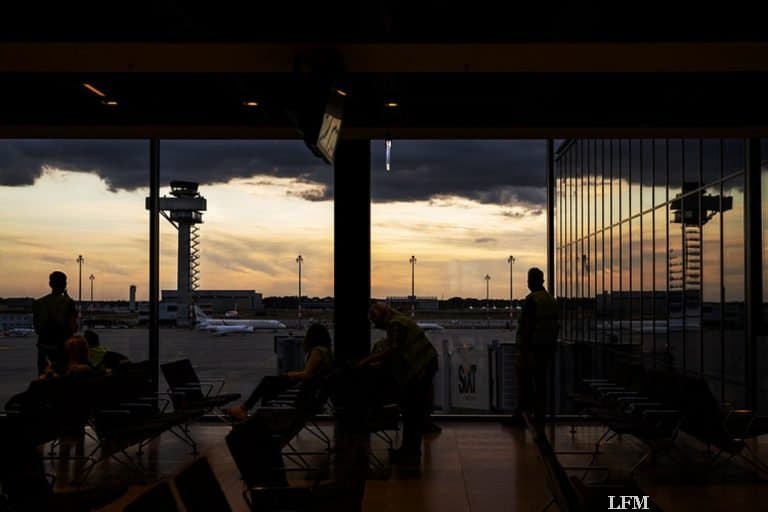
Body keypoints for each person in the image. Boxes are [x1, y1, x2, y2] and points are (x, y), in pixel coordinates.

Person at [358, 302, 438, 464]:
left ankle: (410, 452)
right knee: (413, 411)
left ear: (381, 316)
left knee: (412, 411)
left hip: (420, 367)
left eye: (375, 321)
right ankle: (409, 450)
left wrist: (367, 360)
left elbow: (393, 350)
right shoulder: (400, 321)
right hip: (424, 365)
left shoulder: (396, 324)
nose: (375, 326)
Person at [228, 323, 334, 421]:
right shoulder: (326, 351)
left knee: (267, 382)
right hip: (309, 388)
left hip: (305, 388)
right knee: (268, 387)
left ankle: (247, 410)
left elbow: (307, 374)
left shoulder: (317, 352)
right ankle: (259, 415)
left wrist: (289, 374)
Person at [514, 267, 559, 425]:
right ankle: (540, 417)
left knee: (524, 385)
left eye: (529, 279)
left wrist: (523, 353)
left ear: (532, 281)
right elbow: (555, 327)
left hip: (531, 350)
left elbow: (526, 328)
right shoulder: (551, 300)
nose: (528, 283)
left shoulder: (532, 300)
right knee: (541, 386)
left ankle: (521, 417)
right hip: (545, 350)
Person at [32, 271, 78, 375]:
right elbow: (73, 327)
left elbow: (36, 328)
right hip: (62, 347)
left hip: (43, 346)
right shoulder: (68, 302)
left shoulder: (38, 303)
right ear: (65, 285)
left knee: (44, 377)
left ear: (50, 284)